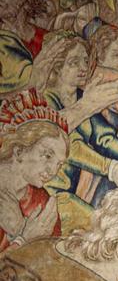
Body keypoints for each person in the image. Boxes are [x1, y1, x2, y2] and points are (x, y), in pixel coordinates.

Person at [0, 88, 68, 252]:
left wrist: (20, 232)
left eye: (59, 164)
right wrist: (24, 239)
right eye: (47, 156)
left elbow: (50, 264)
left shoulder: (42, 202)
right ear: (19, 151)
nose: (53, 171)